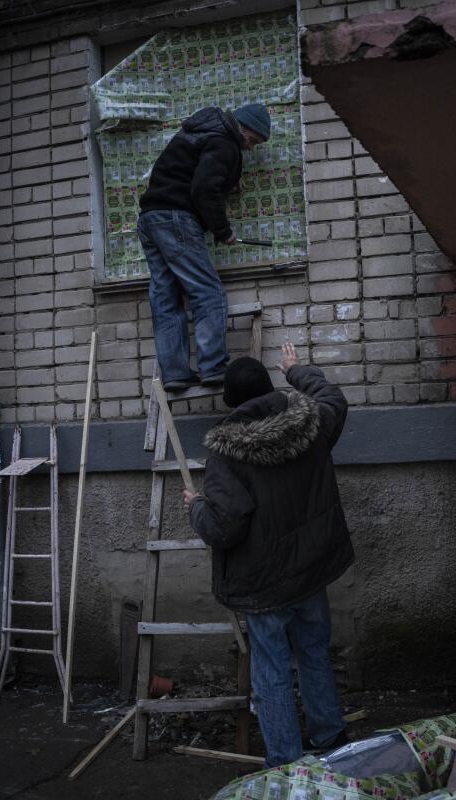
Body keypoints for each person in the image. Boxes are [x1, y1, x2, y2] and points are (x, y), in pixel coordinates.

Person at [183, 342, 354, 766]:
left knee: (272, 672)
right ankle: (330, 742)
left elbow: (224, 526)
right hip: (310, 570)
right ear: (269, 386)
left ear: (230, 403)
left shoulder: (227, 452)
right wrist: (297, 372)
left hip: (264, 584)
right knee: (314, 653)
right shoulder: (310, 422)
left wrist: (196, 506)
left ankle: (287, 763)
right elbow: (333, 399)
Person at [138, 103, 271, 392]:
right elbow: (203, 188)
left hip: (150, 219)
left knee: (166, 297)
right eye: (253, 141)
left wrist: (225, 181)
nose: (250, 148)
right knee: (207, 292)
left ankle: (174, 373)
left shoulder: (201, 132)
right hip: (175, 218)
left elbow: (192, 174)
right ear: (244, 128)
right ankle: (213, 367)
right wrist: (223, 231)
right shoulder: (225, 141)